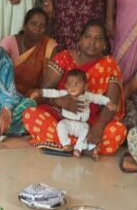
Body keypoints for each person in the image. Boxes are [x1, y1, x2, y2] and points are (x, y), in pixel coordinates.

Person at [23, 21, 127, 155]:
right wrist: (60, 102)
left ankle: (62, 144)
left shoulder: (110, 65)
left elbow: (111, 103)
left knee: (118, 130)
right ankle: (84, 147)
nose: (92, 42)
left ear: (104, 45)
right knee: (30, 114)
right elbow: (44, 92)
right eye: (87, 37)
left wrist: (98, 127)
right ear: (80, 40)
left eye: (98, 39)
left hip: (91, 121)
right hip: (60, 116)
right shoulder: (64, 58)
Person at [40, 69, 113, 158]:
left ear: (85, 86)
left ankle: (78, 149)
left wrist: (108, 102)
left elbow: (98, 98)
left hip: (81, 125)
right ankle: (66, 144)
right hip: (67, 122)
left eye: (77, 84)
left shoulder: (87, 96)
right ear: (66, 86)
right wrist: (40, 92)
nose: (73, 86)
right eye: (70, 84)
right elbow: (53, 93)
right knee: (60, 125)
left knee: (86, 131)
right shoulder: (64, 94)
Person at [0, 7, 59, 95]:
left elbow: (50, 82)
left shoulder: (49, 47)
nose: (37, 28)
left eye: (42, 26)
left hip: (35, 97)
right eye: (33, 24)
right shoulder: (8, 42)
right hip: (7, 93)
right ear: (25, 25)